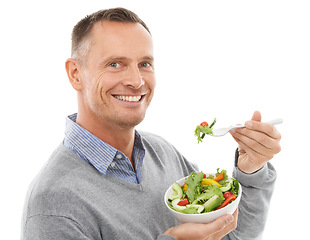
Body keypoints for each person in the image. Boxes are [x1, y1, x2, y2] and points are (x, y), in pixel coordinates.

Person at [21, 7, 281, 240]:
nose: (136, 80)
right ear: (75, 74)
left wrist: (251, 169)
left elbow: (232, 234)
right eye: (115, 64)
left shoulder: (163, 153)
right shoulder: (53, 204)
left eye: (144, 64)